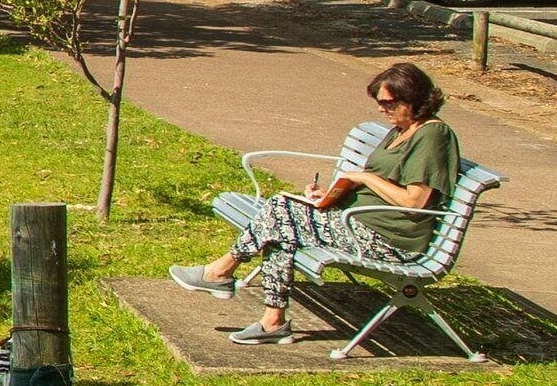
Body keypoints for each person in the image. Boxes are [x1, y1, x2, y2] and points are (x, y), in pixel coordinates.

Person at [177, 63, 466, 344]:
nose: (382, 109)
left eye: (388, 103)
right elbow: (378, 182)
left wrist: (363, 178)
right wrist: (329, 196)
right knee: (282, 223)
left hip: (388, 241)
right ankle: (271, 321)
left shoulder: (432, 135)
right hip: (356, 222)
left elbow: (414, 201)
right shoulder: (402, 128)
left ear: (413, 98)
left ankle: (220, 273)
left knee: (280, 213)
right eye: (380, 102)